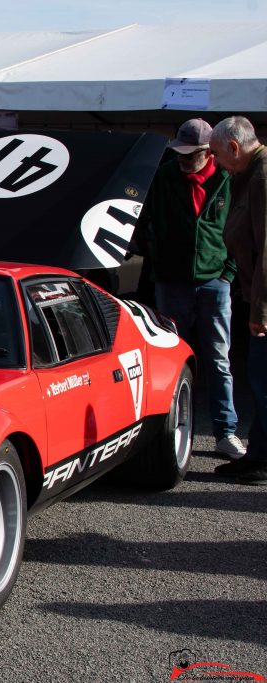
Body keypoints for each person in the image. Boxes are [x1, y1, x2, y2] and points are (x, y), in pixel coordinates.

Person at [133, 118, 245, 459]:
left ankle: (226, 431)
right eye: (178, 154)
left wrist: (228, 273)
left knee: (217, 359)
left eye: (189, 155)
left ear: (206, 151)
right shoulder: (165, 177)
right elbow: (146, 220)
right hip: (171, 281)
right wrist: (156, 258)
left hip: (214, 282)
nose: (182, 160)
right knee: (171, 359)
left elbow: (242, 230)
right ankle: (168, 431)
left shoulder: (228, 179)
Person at [209, 116, 267, 485]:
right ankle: (258, 456)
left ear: (233, 147)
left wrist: (261, 310)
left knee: (263, 382)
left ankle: (262, 461)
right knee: (260, 381)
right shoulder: (250, 176)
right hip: (257, 296)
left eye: (216, 154)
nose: (214, 162)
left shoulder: (262, 179)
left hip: (266, 304)